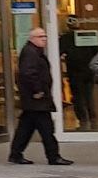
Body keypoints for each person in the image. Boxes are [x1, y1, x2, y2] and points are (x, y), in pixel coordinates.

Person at [9, 27, 74, 166]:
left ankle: (15, 154)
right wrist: (37, 90)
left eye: (45, 36)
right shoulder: (30, 52)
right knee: (46, 129)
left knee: (26, 127)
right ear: (32, 38)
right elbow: (28, 73)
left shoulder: (34, 52)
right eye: (40, 36)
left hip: (35, 100)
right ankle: (53, 156)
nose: (44, 39)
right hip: (36, 99)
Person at [61, 25, 98, 131]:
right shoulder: (89, 36)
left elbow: (59, 51)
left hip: (75, 72)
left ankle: (83, 119)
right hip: (88, 71)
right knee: (88, 96)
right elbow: (97, 52)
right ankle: (92, 118)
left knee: (78, 97)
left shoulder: (66, 38)